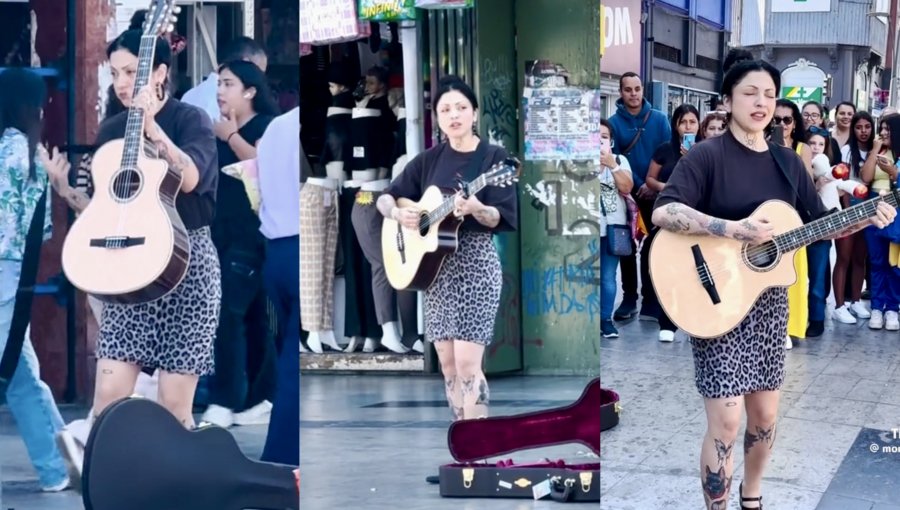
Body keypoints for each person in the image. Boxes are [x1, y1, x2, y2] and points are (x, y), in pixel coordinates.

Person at [651, 49, 896, 510]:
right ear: (727, 100)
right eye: (750, 93)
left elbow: (820, 224)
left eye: (769, 94)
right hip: (717, 303)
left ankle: (752, 496)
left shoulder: (787, 162)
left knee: (763, 417)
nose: (761, 102)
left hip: (767, 305)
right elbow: (665, 210)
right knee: (725, 423)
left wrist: (866, 218)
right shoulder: (707, 155)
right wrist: (732, 229)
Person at [48, 29, 220, 482]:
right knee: (108, 397)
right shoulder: (109, 132)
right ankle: (107, 488)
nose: (123, 83)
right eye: (115, 73)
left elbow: (190, 179)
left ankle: (171, 490)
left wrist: (152, 127)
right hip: (129, 274)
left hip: (186, 267)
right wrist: (67, 193)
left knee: (174, 406)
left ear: (159, 72)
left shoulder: (192, 120)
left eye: (131, 73)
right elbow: (108, 209)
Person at [376, 76, 517, 421]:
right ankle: (461, 448)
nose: (454, 115)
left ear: (474, 113)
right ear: (437, 117)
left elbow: (500, 215)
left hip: (475, 265)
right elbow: (384, 198)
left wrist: (476, 209)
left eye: (461, 108)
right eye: (445, 109)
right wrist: (397, 213)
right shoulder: (429, 159)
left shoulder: (493, 160)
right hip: (435, 272)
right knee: (448, 364)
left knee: (469, 364)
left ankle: (477, 452)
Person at [0, 67, 72, 495]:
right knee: (23, 378)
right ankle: (61, 466)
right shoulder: (30, 155)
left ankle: (60, 466)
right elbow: (41, 231)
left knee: (23, 379)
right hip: (12, 279)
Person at [202, 59, 281, 428]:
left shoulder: (266, 128)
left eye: (228, 84)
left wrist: (231, 137)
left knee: (227, 313)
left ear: (249, 91)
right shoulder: (216, 129)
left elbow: (266, 165)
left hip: (252, 236)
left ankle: (225, 399)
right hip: (221, 234)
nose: (220, 91)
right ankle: (262, 396)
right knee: (249, 317)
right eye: (219, 83)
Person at [608, 72, 671, 322]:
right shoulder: (613, 123)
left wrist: (652, 185)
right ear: (621, 92)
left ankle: (652, 298)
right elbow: (615, 159)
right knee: (625, 247)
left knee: (654, 246)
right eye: (627, 89)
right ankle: (629, 297)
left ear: (642, 90)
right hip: (625, 194)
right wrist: (637, 183)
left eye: (637, 89)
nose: (633, 94)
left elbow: (667, 154)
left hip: (655, 195)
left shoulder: (659, 119)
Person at [257, 106, 300, 466]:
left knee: (285, 355)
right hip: (301, 248)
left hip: (275, 253)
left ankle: (280, 452)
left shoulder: (274, 128)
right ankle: (283, 456)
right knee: (292, 364)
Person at [645, 103, 700, 342]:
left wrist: (693, 159)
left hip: (697, 216)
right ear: (675, 125)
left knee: (694, 267)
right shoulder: (665, 150)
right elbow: (650, 179)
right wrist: (665, 187)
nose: (688, 127)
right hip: (668, 213)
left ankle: (694, 317)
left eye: (692, 122)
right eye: (683, 122)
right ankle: (665, 320)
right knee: (665, 264)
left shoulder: (705, 150)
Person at [598, 119, 634, 339]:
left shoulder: (620, 160)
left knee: (608, 277)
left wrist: (612, 165)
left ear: (610, 141)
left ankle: (605, 320)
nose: (600, 140)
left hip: (614, 226)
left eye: (604, 136)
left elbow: (627, 186)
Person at [181, 36, 268, 122]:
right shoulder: (230, 102)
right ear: (245, 63)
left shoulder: (189, 95)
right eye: (258, 73)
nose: (259, 79)